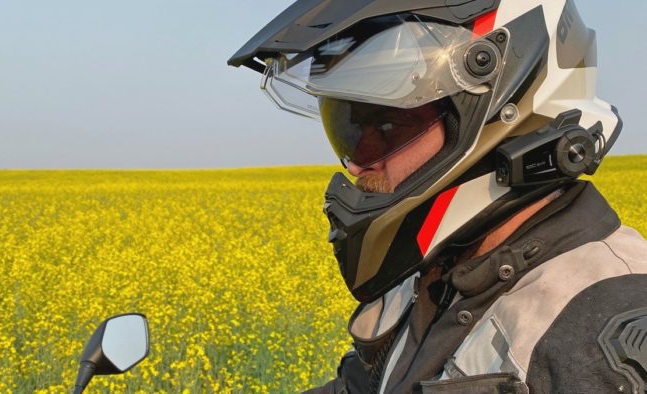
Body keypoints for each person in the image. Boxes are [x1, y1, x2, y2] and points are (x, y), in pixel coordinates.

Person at [228, 1, 647, 392]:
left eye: (389, 125)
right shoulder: (436, 273)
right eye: (351, 131)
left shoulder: (603, 332)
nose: (357, 165)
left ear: (502, 111)